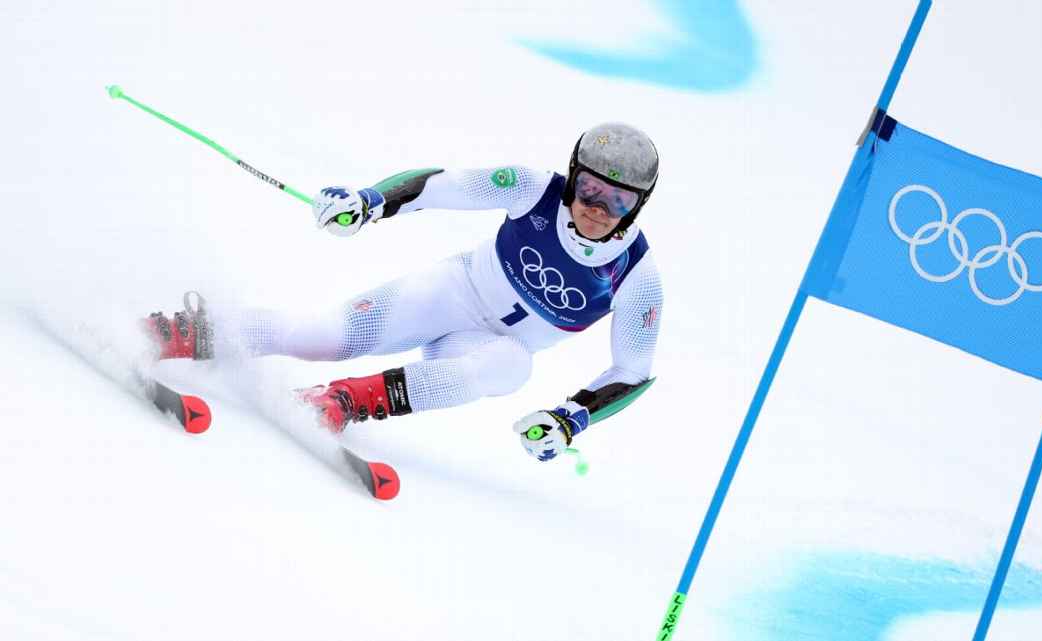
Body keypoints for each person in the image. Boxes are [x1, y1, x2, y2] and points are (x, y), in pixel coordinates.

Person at [144, 123, 663, 462]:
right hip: (451, 294)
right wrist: (371, 201)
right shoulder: (533, 189)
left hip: (482, 347)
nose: (598, 209)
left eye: (618, 201)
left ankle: (341, 401)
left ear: (638, 205)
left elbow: (632, 371)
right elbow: (440, 184)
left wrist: (571, 418)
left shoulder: (636, 275)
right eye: (590, 190)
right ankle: (183, 333)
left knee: (512, 366)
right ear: (573, 178)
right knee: (323, 336)